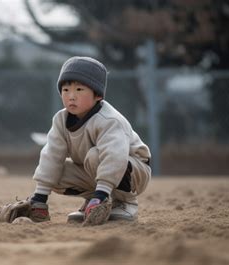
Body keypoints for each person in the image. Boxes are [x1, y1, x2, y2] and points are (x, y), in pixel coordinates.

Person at [28, 56, 152, 225]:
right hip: (96, 168)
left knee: (96, 155)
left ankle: (124, 203)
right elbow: (52, 155)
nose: (71, 96)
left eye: (79, 89)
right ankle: (94, 201)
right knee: (55, 171)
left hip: (133, 170)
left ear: (98, 95)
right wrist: (39, 198)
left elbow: (115, 157)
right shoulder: (60, 120)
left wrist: (100, 194)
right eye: (65, 90)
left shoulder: (109, 120)